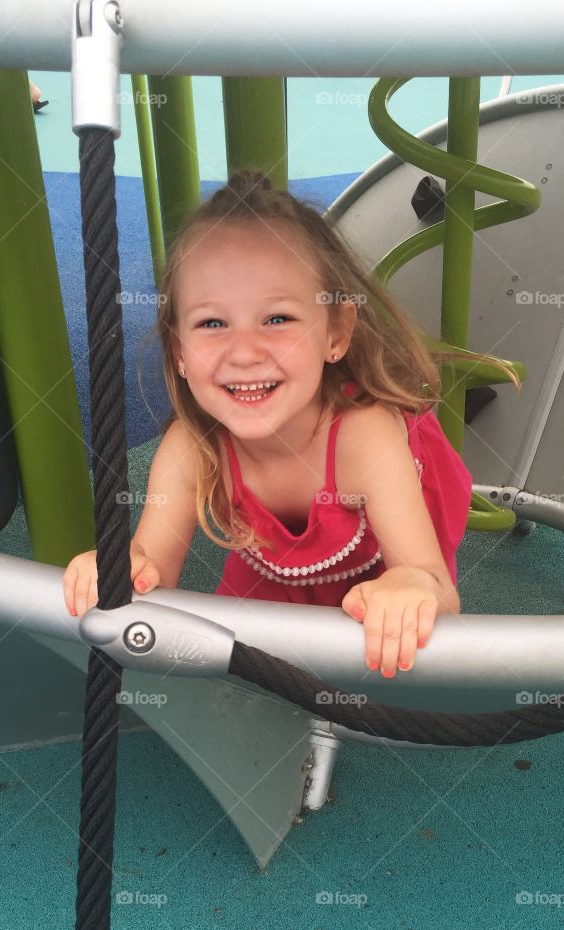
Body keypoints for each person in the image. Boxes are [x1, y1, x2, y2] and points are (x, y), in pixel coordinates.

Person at [62, 170, 519, 678]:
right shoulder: (191, 446)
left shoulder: (365, 438)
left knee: (406, 650)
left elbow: (435, 585)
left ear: (336, 333)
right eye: (212, 323)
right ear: (180, 353)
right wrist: (125, 566)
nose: (245, 352)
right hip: (270, 576)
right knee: (238, 680)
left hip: (373, 573)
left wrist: (411, 585)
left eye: (277, 319)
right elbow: (152, 567)